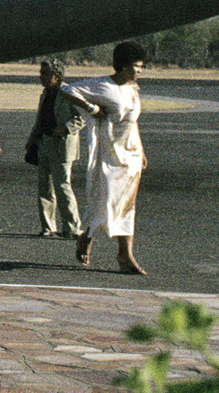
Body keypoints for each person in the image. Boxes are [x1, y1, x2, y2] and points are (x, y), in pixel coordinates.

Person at [62, 41, 148, 274]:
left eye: (141, 67)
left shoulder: (133, 88)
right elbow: (67, 90)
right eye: (135, 66)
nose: (138, 71)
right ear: (122, 65)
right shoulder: (103, 85)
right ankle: (87, 236)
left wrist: (141, 150)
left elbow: (133, 121)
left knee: (127, 205)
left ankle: (125, 254)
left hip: (131, 155)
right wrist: (92, 109)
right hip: (109, 154)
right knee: (105, 200)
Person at [27, 59, 84, 238]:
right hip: (44, 142)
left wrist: (66, 127)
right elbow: (40, 119)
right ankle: (47, 227)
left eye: (45, 74)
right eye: (40, 73)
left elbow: (83, 116)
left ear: (57, 76)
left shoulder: (69, 92)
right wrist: (32, 139)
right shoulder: (45, 94)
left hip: (61, 145)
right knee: (44, 188)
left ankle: (72, 228)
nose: (41, 77)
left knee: (62, 187)